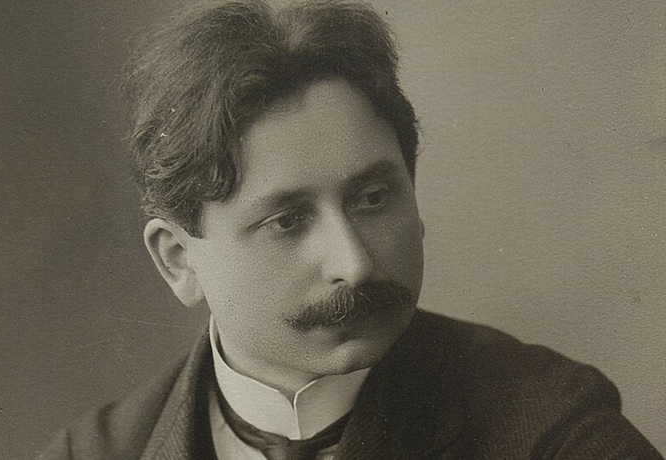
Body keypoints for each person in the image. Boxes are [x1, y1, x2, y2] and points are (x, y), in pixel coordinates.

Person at [39, 1, 662, 459]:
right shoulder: (91, 454)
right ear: (178, 259)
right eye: (287, 220)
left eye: (372, 198)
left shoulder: (549, 425)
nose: (356, 263)